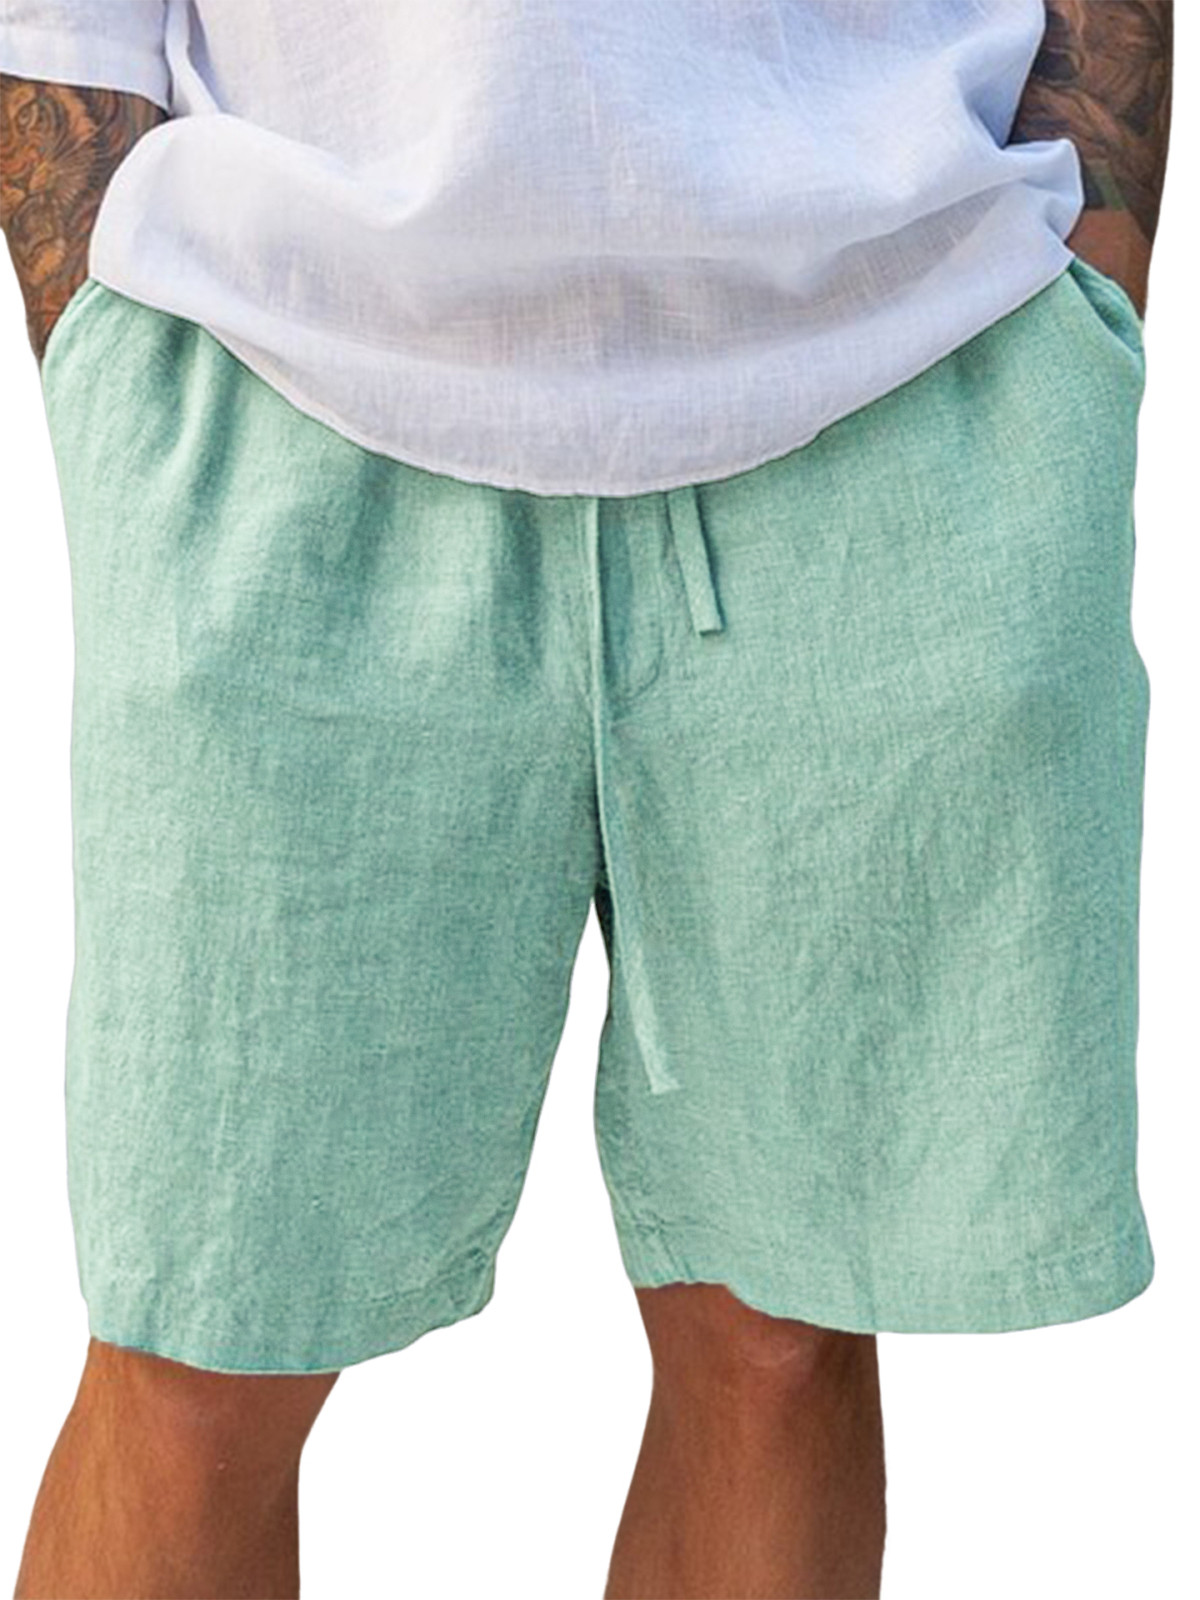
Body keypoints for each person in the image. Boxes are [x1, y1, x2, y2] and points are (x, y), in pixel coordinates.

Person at [0, 2, 1173, 1595]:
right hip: (282, 350)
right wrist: (100, 342)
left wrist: (1086, 295)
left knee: (781, 1335)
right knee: (202, 1350)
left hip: (902, 343)